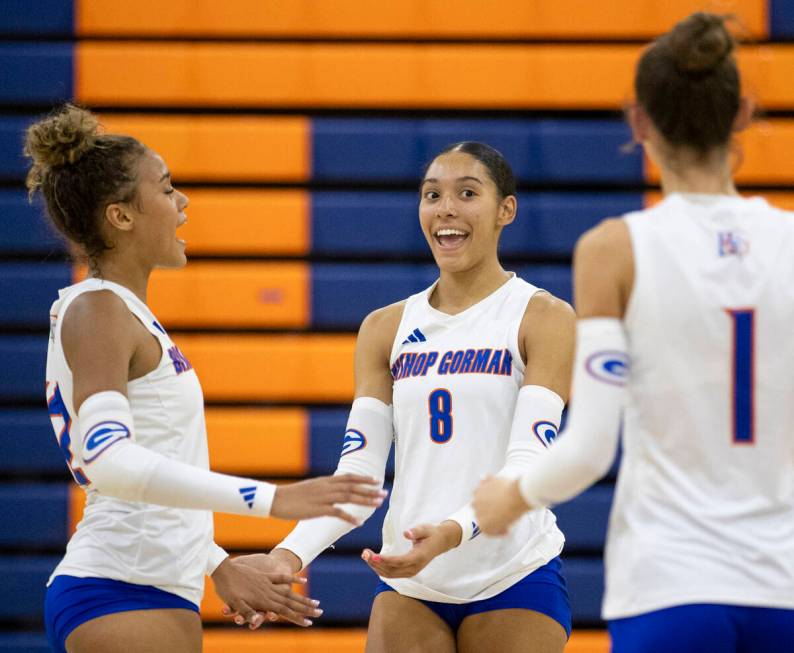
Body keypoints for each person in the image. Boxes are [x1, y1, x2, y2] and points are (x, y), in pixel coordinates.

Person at [472, 12, 794, 653]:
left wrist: (511, 496)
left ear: (638, 121)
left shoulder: (614, 249)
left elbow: (592, 445)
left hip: (670, 583)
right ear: (744, 114)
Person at [26, 104, 386, 653]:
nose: (183, 201)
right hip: (117, 588)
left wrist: (215, 562)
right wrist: (273, 500)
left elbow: (158, 464)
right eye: (167, 189)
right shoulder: (97, 309)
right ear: (120, 216)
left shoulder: (116, 310)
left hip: (149, 586)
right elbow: (110, 462)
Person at [233, 141, 577, 652]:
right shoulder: (384, 327)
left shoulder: (544, 317)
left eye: (467, 193)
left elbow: (528, 464)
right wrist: (288, 556)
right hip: (412, 580)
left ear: (506, 210)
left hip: (514, 572)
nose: (446, 209)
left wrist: (452, 533)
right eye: (431, 194)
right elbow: (361, 476)